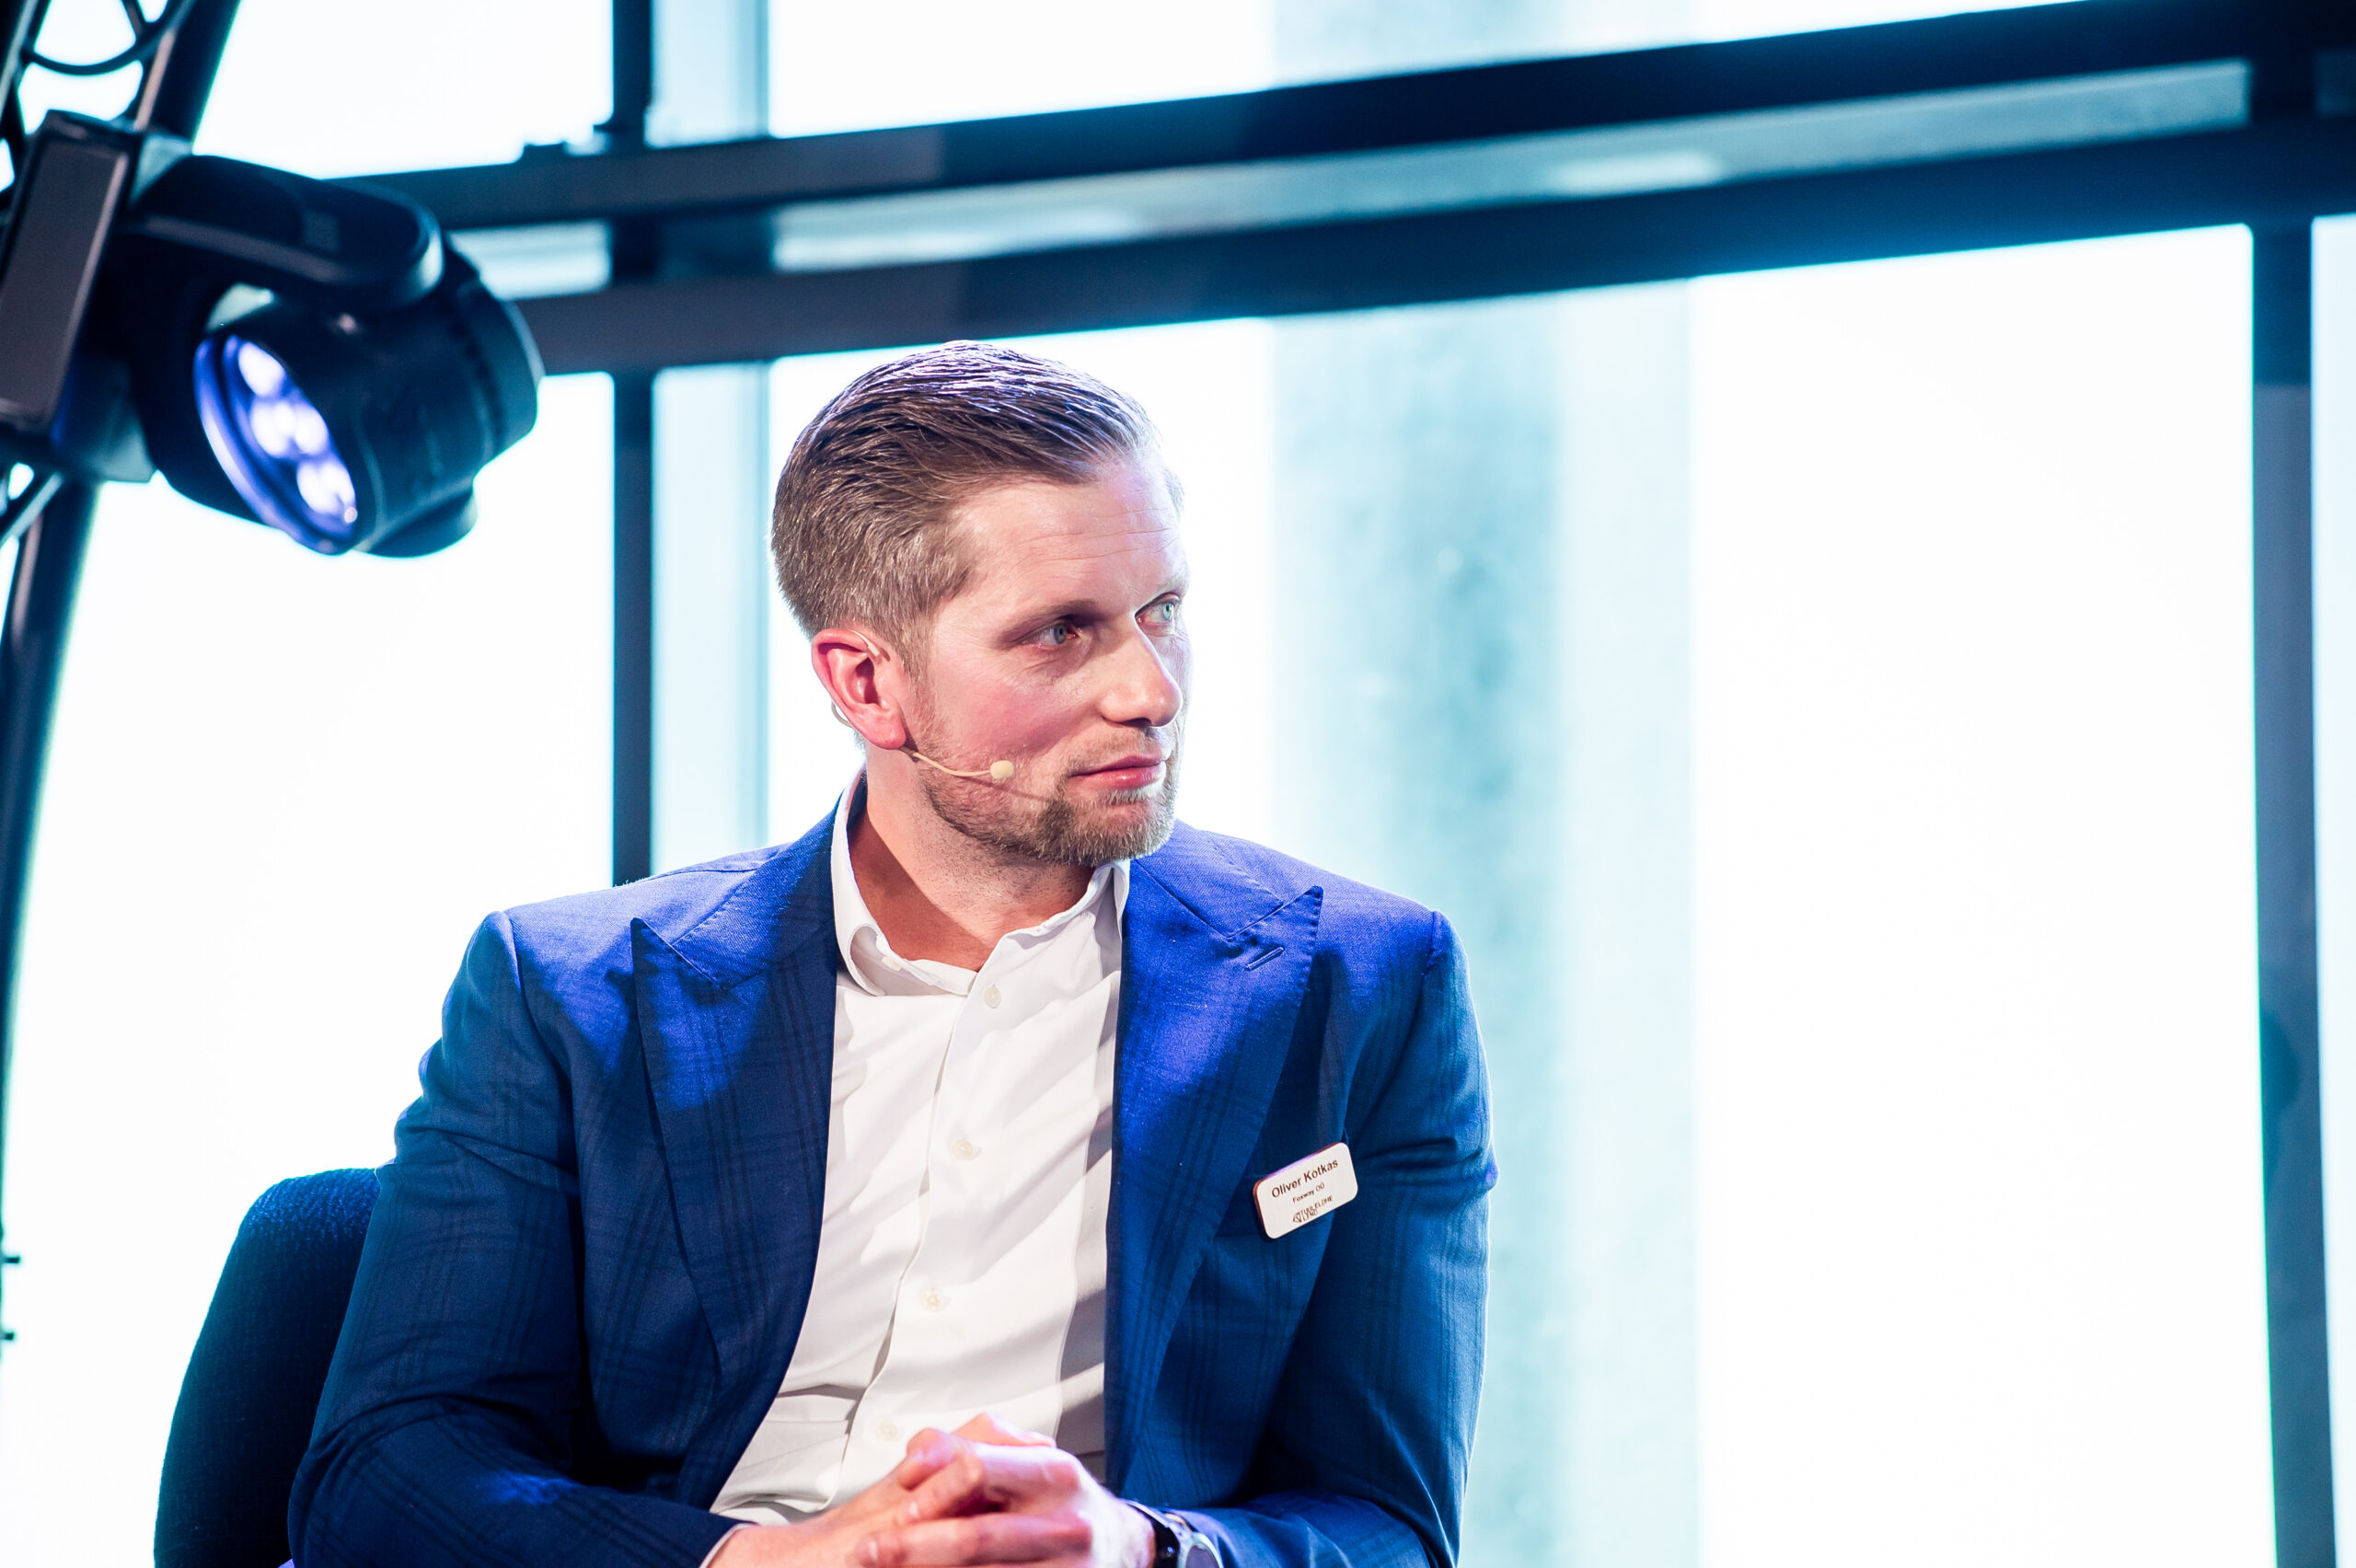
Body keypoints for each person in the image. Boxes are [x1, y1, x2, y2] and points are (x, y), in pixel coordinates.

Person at [289, 342, 1494, 1568]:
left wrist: (1146, 1550)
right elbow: (385, 1474)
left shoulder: (1361, 990)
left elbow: (1389, 1522)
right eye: (1060, 634)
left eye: (1162, 613)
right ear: (867, 683)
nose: (1150, 690)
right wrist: (757, 1563)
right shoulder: (571, 995)